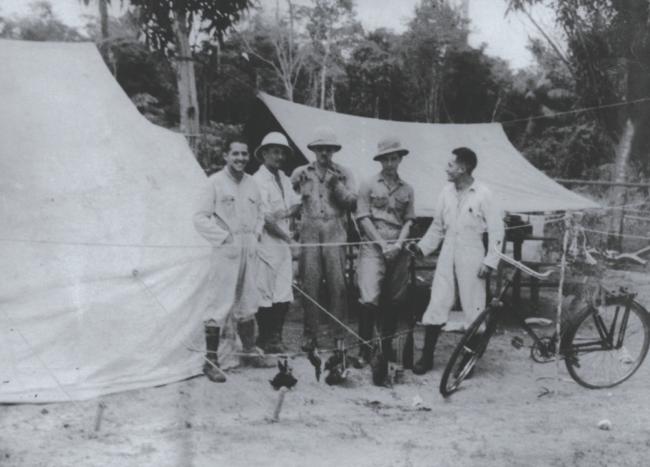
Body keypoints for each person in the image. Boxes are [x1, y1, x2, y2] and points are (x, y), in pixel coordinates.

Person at [408, 147, 504, 375]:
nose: (446, 169)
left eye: (450, 165)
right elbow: (437, 227)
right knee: (438, 301)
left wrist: (490, 261)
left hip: (473, 251)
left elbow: (497, 230)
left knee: (474, 306)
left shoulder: (483, 193)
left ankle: (467, 362)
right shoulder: (446, 192)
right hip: (448, 250)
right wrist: (421, 248)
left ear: (463, 168)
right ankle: (427, 357)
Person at [193, 138, 271, 383]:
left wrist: (257, 233)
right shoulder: (214, 183)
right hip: (226, 250)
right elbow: (199, 218)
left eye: (244, 154)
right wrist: (224, 237)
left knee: (248, 299)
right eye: (235, 154)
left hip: (249, 248)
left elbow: (261, 213)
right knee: (219, 302)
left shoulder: (252, 184)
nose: (240, 158)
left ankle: (248, 350)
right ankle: (211, 361)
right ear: (226, 156)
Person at [291, 128, 357, 351]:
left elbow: (352, 202)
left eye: (328, 149)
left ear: (334, 151)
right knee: (310, 285)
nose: (324, 153)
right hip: (309, 234)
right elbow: (291, 201)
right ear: (313, 150)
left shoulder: (344, 173)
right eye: (320, 149)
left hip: (335, 232)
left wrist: (335, 185)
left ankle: (338, 335)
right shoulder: (301, 172)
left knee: (338, 285)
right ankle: (310, 334)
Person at [355, 137, 415, 382]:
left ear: (400, 159)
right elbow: (363, 217)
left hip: (398, 246)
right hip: (373, 244)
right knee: (369, 297)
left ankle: (386, 349)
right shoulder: (368, 184)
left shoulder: (407, 189)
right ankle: (364, 349)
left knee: (394, 299)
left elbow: (409, 220)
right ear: (379, 160)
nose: (390, 163)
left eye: (395, 158)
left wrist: (399, 244)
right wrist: (381, 244)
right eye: (386, 158)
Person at [252, 132, 300, 353]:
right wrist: (287, 236)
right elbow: (265, 219)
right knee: (265, 292)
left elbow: (295, 205)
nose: (279, 156)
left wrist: (281, 214)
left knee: (283, 291)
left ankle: (276, 338)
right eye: (274, 151)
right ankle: (264, 338)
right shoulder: (257, 180)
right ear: (264, 154)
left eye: (282, 152)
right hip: (267, 243)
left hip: (283, 243)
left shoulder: (284, 178)